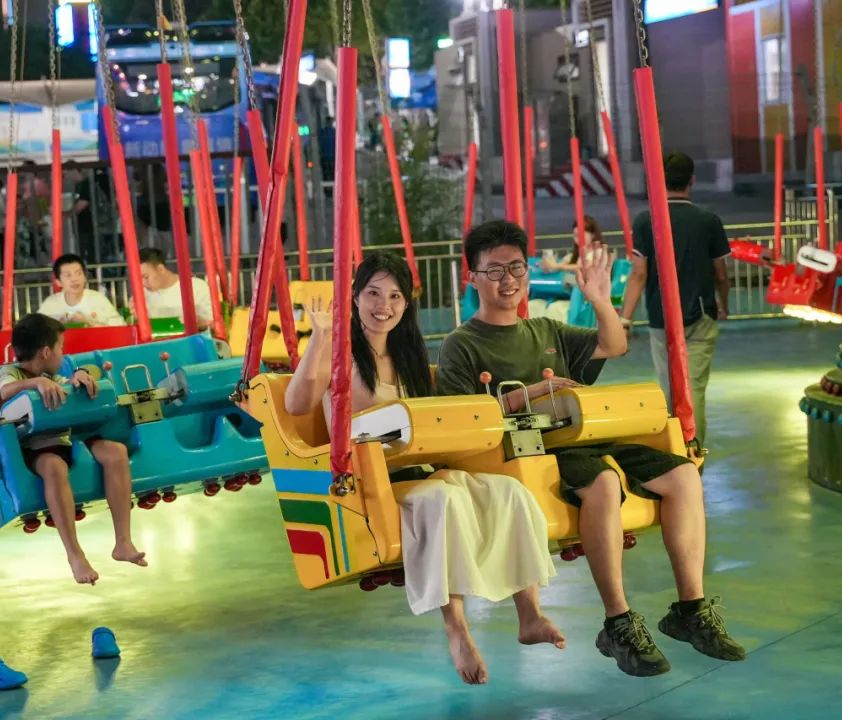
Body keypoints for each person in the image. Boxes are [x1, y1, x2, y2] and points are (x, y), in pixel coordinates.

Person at [437, 220, 745, 678]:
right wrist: (528, 396)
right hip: (530, 453)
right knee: (602, 481)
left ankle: (690, 608)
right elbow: (460, 420)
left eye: (516, 267)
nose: (508, 279)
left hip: (583, 437)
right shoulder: (462, 345)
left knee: (683, 474)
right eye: (494, 270)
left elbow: (614, 344)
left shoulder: (547, 330)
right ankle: (618, 621)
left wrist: (601, 299)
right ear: (473, 278)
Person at [284, 251, 563, 686]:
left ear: (406, 303)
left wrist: (527, 393)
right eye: (373, 293)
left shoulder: (410, 358)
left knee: (508, 492)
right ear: (355, 297)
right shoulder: (338, 353)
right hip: (368, 480)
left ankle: (529, 614)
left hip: (420, 468)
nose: (384, 305)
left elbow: (446, 414)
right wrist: (321, 338)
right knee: (443, 498)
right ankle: (456, 629)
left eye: (395, 296)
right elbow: (296, 404)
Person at [0, 314, 147, 584]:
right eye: (61, 348)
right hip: (36, 448)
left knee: (116, 452)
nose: (63, 354)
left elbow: (67, 384)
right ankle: (75, 555)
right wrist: (34, 383)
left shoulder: (52, 375)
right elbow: (4, 392)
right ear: (46, 352)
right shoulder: (12, 373)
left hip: (68, 439)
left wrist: (79, 377)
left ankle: (123, 542)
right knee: (54, 466)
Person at [620, 152, 731, 446]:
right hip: (701, 314)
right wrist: (724, 304)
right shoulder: (709, 221)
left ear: (659, 181)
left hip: (662, 319)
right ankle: (695, 454)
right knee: (694, 390)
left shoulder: (646, 221)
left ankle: (675, 453)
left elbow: (638, 274)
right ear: (691, 180)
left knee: (669, 389)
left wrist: (625, 319)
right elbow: (721, 274)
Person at [37, 254, 126, 328]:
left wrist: (88, 323)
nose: (74, 279)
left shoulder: (98, 299)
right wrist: (58, 326)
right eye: (68, 275)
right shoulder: (50, 304)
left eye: (78, 273)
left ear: (85, 277)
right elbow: (36, 332)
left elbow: (120, 328)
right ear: (58, 282)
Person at [135, 247, 213, 332]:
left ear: (161, 269)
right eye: (139, 279)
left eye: (146, 277)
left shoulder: (196, 287)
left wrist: (202, 323)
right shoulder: (142, 294)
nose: (143, 283)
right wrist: (135, 316)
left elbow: (213, 323)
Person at [539, 216, 607, 291]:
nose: (577, 239)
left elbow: (583, 267)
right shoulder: (576, 254)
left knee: (567, 279)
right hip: (580, 289)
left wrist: (557, 266)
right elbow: (563, 264)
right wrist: (550, 267)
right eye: (575, 236)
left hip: (594, 289)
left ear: (593, 235)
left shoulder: (599, 252)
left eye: (581, 235)